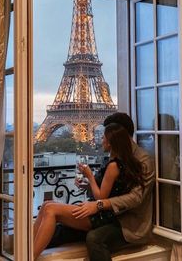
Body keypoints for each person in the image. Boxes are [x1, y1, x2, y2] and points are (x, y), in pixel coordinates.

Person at [33, 122, 145, 260]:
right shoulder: (124, 163)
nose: (101, 140)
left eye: (103, 138)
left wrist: (90, 176)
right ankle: (28, 250)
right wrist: (88, 183)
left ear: (110, 143)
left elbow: (101, 197)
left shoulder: (113, 166)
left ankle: (30, 256)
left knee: (50, 209)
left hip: (101, 215)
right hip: (104, 213)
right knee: (46, 205)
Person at [73, 112, 155, 261]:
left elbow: (135, 198)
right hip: (109, 215)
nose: (104, 139)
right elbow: (106, 191)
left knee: (94, 238)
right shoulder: (114, 157)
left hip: (129, 223)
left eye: (107, 134)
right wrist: (88, 186)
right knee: (62, 227)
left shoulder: (143, 160)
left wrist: (99, 204)